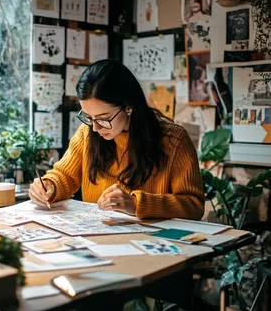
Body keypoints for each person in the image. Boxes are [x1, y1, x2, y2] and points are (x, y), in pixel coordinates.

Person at [29, 60, 204, 220]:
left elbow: (193, 206)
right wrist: (49, 186)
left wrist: (136, 204)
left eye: (103, 118)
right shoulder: (87, 132)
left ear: (128, 107)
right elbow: (64, 175)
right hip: (97, 238)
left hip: (152, 244)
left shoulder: (174, 140)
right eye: (89, 117)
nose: (96, 128)